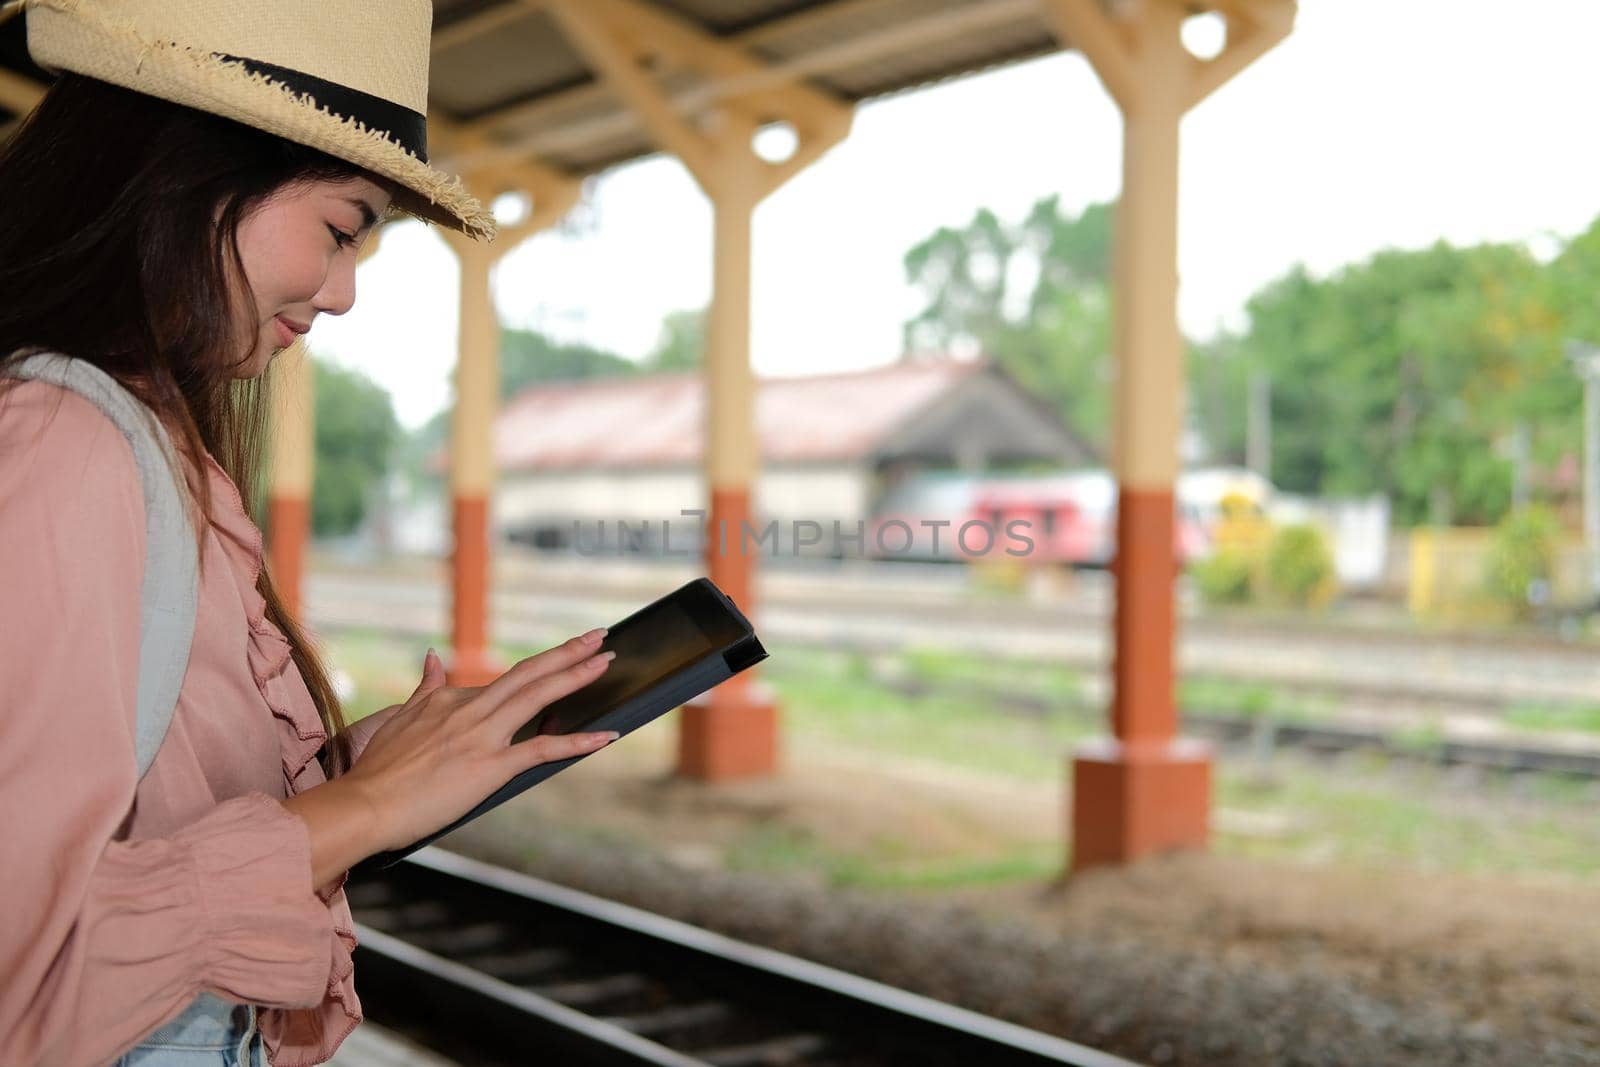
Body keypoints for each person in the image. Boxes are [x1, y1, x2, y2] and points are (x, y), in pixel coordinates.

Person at [0, 2, 619, 1064]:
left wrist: (338, 773)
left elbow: (127, 800)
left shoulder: (141, 437)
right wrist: (366, 808)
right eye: (341, 229)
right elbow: (26, 971)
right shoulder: (68, 440)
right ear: (186, 172)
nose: (341, 294)